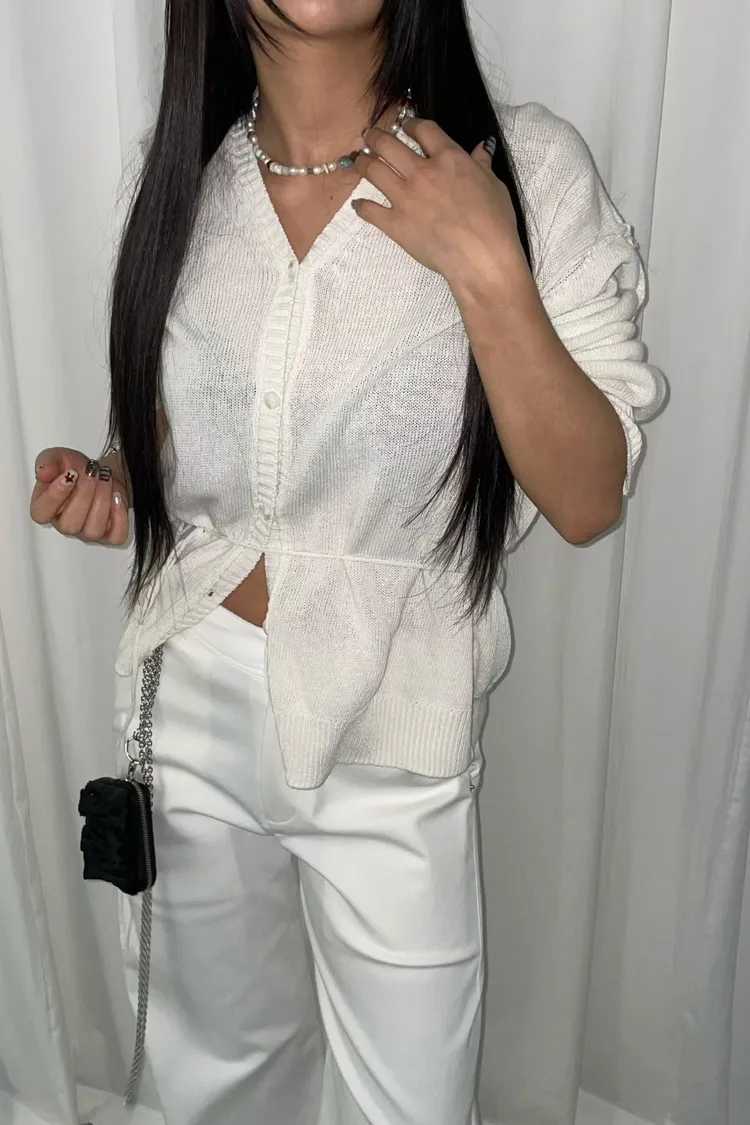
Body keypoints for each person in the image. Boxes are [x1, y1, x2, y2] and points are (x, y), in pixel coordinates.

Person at [28, 1, 666, 1123]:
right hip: (191, 700)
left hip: (393, 725)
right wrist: (122, 471)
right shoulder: (182, 180)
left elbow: (586, 497)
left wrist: (487, 262)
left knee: (407, 1103)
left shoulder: (522, 166)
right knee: (219, 1081)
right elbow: (188, 418)